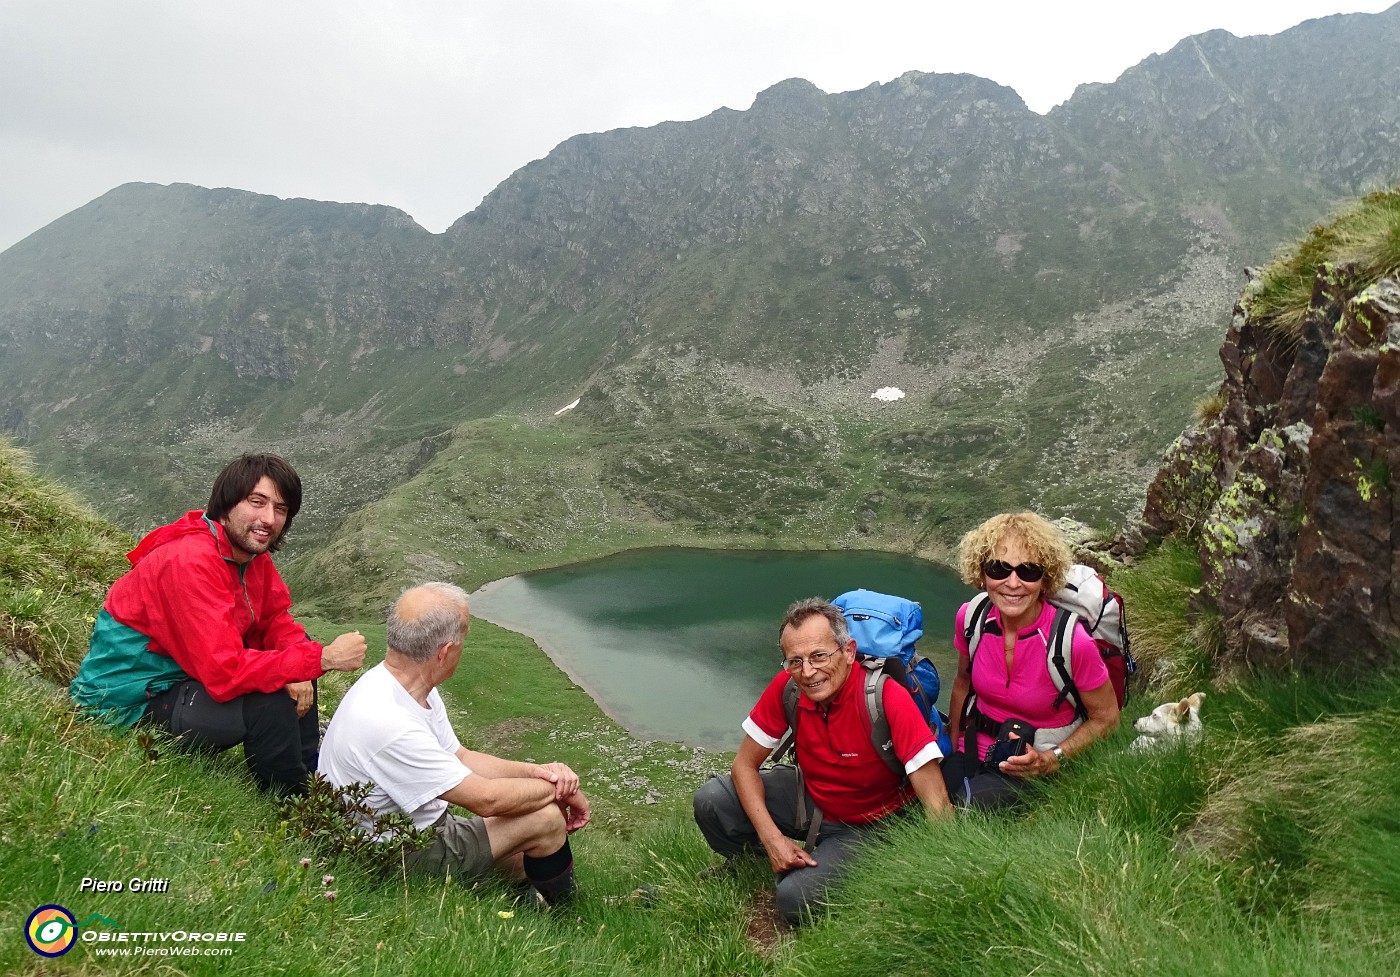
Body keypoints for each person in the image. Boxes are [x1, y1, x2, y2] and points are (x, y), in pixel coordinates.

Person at [69, 453, 367, 794]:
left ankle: (310, 777)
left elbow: (275, 619)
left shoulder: (249, 556)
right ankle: (292, 805)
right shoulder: (190, 561)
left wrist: (304, 661)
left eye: (281, 509)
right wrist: (321, 660)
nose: (268, 518)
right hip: (126, 704)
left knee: (297, 652)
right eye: (257, 502)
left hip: (181, 678)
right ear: (227, 503)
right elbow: (224, 672)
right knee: (269, 699)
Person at [318, 582, 589, 905]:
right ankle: (567, 915)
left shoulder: (400, 686)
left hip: (398, 833)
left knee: (523, 828)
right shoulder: (390, 722)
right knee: (544, 820)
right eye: (464, 639)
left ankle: (529, 901)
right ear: (444, 652)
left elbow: (461, 756)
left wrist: (541, 774)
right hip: (393, 857)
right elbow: (486, 800)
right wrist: (561, 790)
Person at [693, 597, 951, 926]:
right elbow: (743, 766)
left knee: (794, 900)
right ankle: (759, 862)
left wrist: (943, 877)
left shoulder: (884, 696)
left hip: (868, 823)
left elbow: (937, 801)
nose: (808, 672)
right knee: (712, 801)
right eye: (795, 661)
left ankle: (824, 870)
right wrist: (773, 841)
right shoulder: (789, 688)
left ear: (848, 651)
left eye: (819, 656)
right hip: (814, 798)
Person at [944, 512, 1120, 810]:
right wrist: (953, 743)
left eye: (1028, 571)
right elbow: (962, 682)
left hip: (1035, 762)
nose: (1013, 583)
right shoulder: (971, 618)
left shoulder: (1072, 641)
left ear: (1045, 578)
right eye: (999, 568)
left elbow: (1107, 718)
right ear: (982, 572)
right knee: (923, 795)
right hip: (973, 747)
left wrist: (1052, 759)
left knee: (965, 807)